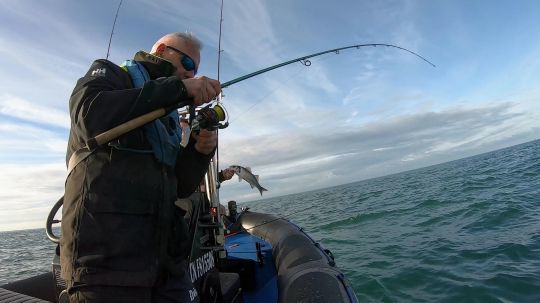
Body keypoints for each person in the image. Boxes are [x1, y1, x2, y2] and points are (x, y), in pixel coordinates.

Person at [61, 32, 221, 303]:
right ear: (161, 49)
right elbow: (89, 116)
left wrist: (199, 152)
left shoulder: (168, 117)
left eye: (195, 69)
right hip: (106, 266)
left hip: (166, 268)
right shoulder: (109, 75)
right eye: (187, 63)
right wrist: (180, 89)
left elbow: (180, 185)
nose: (190, 73)